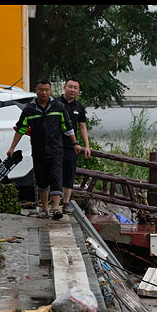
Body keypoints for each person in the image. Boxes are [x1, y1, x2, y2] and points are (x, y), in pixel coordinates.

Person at [7, 78, 79, 220]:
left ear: (50, 91)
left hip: (56, 149)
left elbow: (67, 127)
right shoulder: (30, 109)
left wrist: (75, 143)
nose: (44, 92)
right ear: (36, 91)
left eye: (47, 90)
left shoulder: (58, 107)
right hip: (39, 150)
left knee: (56, 176)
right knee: (42, 179)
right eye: (41, 90)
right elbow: (20, 129)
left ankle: (57, 208)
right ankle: (45, 209)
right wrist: (12, 147)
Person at [58, 77, 90, 214]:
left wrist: (86, 146)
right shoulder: (55, 103)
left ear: (78, 91)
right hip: (55, 144)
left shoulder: (79, 107)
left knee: (69, 174)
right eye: (70, 86)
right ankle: (52, 203)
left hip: (72, 146)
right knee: (54, 173)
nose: (72, 90)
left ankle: (66, 203)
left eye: (75, 88)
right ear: (64, 87)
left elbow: (82, 127)